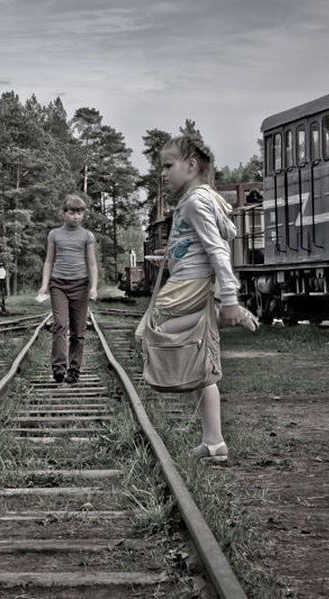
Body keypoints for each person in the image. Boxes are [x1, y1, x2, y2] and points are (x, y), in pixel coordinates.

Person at [138, 134, 256, 461]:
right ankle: (214, 441)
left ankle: (216, 316)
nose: (162, 173)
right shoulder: (204, 198)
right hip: (189, 281)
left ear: (191, 166)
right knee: (200, 364)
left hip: (189, 288)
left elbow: (218, 249)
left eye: (168, 165)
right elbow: (200, 244)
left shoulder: (194, 201)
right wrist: (171, 254)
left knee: (147, 333)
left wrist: (229, 298)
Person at [38, 194, 98, 384]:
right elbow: (48, 261)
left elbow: (92, 264)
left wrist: (94, 287)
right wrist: (44, 285)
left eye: (79, 212)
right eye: (72, 212)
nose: (76, 216)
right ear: (64, 213)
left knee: (78, 332)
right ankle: (58, 367)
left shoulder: (87, 236)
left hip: (80, 285)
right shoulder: (54, 234)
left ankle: (74, 369)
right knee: (60, 325)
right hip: (59, 284)